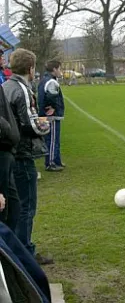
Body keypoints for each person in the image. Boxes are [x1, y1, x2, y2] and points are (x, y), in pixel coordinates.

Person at [2, 48, 53, 265]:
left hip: (10, 154)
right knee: (26, 205)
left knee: (15, 206)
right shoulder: (21, 88)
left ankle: (17, 249)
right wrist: (45, 127)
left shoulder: (5, 86)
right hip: (22, 153)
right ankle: (25, 253)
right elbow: (27, 123)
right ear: (31, 68)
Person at [0, 80, 20, 232]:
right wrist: (6, 128)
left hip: (7, 150)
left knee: (13, 207)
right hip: (3, 150)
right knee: (4, 210)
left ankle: (16, 253)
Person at [37, 60, 65, 172]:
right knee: (52, 139)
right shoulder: (51, 82)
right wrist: (53, 107)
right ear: (54, 69)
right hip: (51, 117)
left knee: (53, 139)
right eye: (59, 69)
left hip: (45, 115)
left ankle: (56, 160)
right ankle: (50, 163)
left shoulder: (44, 80)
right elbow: (51, 96)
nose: (60, 71)